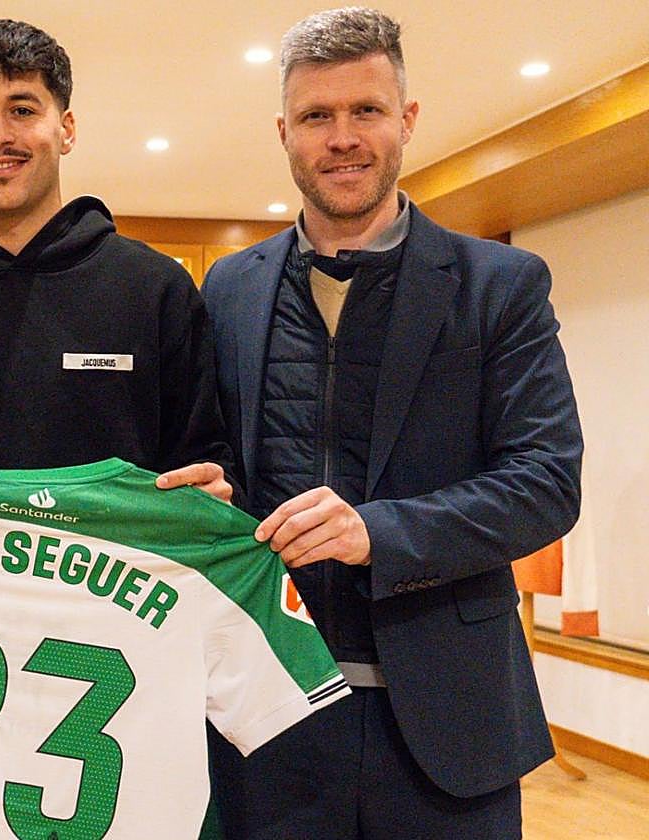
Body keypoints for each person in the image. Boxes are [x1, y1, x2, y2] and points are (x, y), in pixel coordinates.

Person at [201, 8, 582, 839]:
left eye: (366, 111)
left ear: (406, 119)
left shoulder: (500, 285)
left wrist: (376, 532)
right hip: (264, 718)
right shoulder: (227, 289)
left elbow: (546, 485)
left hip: (450, 733)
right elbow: (214, 461)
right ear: (285, 133)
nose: (343, 138)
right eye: (317, 116)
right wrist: (210, 489)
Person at [0, 18, 233, 498]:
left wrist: (214, 489)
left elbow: (205, 463)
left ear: (66, 128)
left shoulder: (155, 289)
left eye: (21, 109)